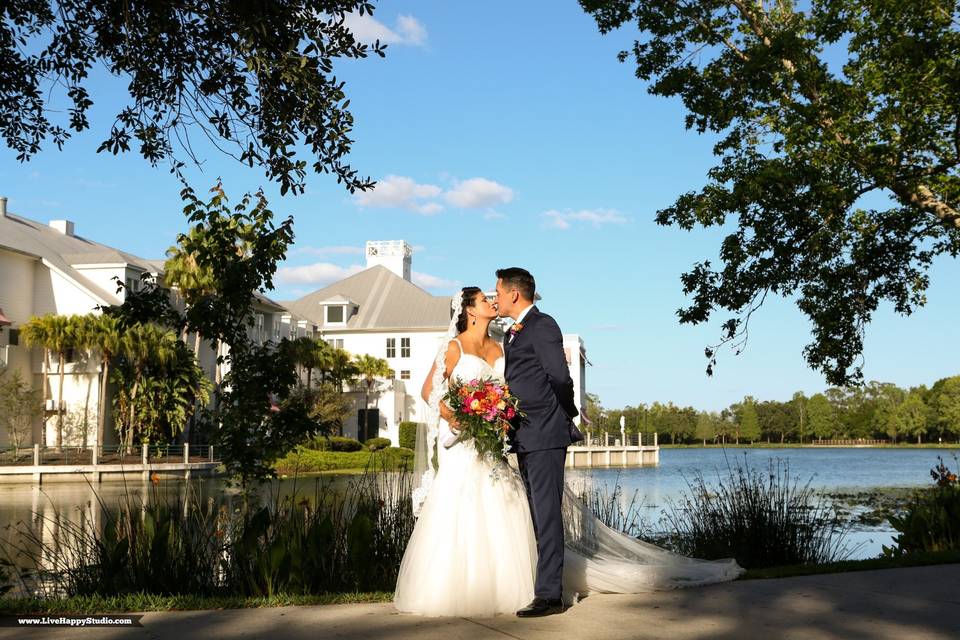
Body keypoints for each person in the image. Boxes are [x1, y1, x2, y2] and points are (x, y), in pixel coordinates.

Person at [394, 275, 742, 619]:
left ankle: (541, 593)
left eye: (495, 293)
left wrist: (562, 414)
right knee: (491, 513)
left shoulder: (520, 336)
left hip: (531, 436)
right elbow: (433, 390)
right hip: (485, 442)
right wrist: (460, 416)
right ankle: (477, 587)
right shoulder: (484, 341)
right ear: (470, 311)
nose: (492, 299)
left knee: (531, 515)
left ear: (513, 294)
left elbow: (554, 379)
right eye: (486, 299)